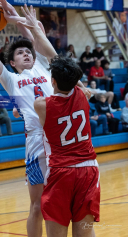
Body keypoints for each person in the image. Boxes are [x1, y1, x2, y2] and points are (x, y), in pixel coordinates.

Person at [0, 0, 90, 237]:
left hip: (61, 138)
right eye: (19, 53)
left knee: (68, 205)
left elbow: (34, 34)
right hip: (38, 142)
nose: (25, 53)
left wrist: (14, 16)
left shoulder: (42, 63)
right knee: (38, 206)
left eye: (27, 51)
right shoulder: (11, 79)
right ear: (13, 62)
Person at [34, 56, 100, 237]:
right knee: (85, 233)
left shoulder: (41, 105)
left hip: (61, 173)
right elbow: (73, 81)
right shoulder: (83, 94)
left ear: (52, 80)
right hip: (88, 171)